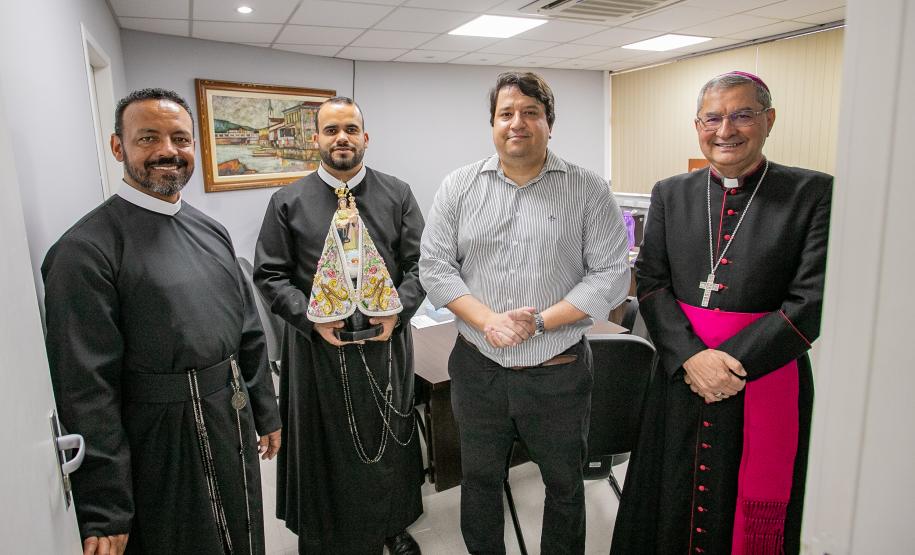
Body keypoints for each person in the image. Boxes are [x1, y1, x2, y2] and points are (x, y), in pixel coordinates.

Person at [42, 88, 282, 555]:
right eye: (148, 138)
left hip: (228, 417)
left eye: (180, 139)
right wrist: (105, 507)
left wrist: (265, 411)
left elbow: (248, 330)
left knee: (243, 533)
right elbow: (86, 389)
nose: (168, 151)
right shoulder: (85, 250)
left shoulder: (210, 230)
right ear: (118, 147)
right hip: (158, 438)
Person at [610, 71, 832, 554]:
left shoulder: (812, 193)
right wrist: (692, 358)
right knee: (670, 492)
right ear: (698, 126)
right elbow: (652, 282)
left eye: (742, 115)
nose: (725, 130)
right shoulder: (671, 192)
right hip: (680, 372)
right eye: (712, 118)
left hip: (763, 372)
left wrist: (728, 365)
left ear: (769, 120)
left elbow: (812, 300)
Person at [419, 72, 631, 555]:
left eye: (530, 112)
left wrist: (538, 322)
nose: (517, 122)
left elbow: (610, 275)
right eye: (506, 113)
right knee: (479, 481)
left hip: (558, 373)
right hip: (479, 370)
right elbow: (434, 267)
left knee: (564, 484)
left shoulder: (588, 189)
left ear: (549, 123)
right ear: (493, 124)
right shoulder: (458, 186)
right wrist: (488, 321)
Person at [254, 97, 425, 554]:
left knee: (387, 439)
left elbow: (421, 265)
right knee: (324, 446)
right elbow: (269, 275)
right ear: (316, 139)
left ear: (365, 137)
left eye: (350, 129)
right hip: (317, 348)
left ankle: (391, 526)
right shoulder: (286, 202)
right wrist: (310, 316)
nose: (341, 138)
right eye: (331, 130)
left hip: (385, 343)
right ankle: (323, 532)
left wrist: (398, 310)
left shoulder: (398, 194)